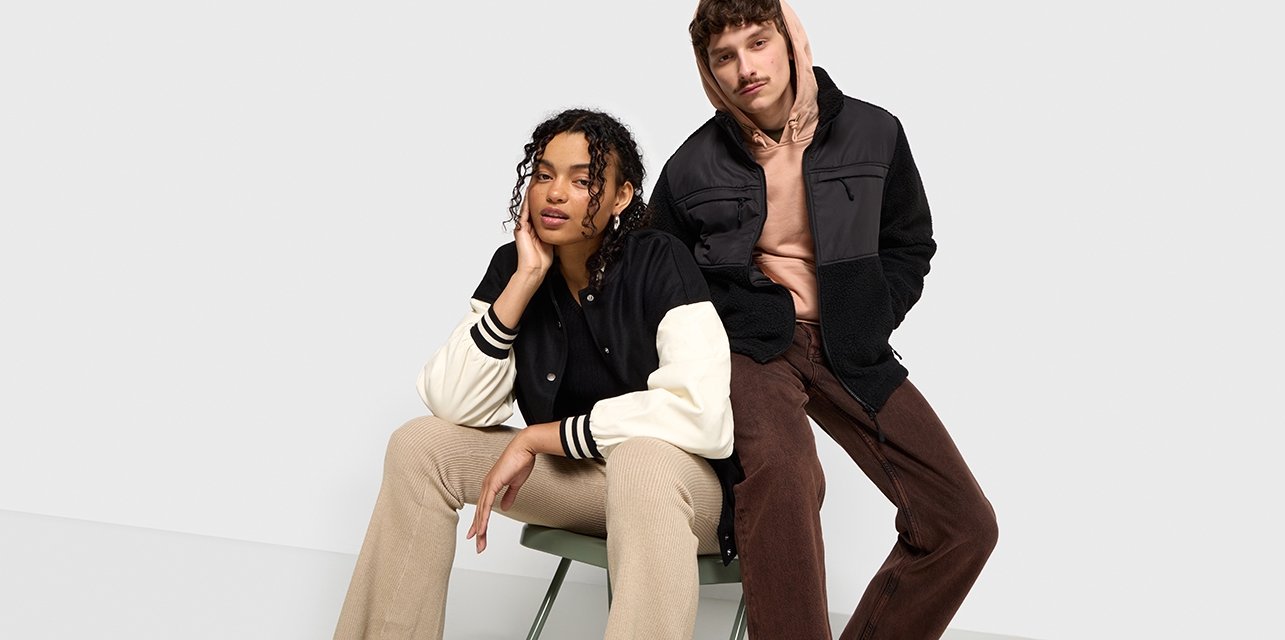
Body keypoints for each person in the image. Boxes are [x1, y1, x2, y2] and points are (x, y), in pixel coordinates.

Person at [648, 1, 999, 638]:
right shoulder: (690, 166)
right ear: (708, 69)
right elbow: (658, 278)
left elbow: (909, 241)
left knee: (963, 524)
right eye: (725, 56)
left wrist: (873, 315)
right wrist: (709, 345)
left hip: (849, 342)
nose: (746, 68)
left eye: (758, 43)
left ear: (790, 41)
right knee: (785, 475)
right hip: (750, 346)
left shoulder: (874, 131)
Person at [334, 108, 739, 640]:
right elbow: (452, 401)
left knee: (641, 461)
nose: (555, 193)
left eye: (582, 181)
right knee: (419, 444)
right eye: (544, 175)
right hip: (582, 486)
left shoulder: (659, 260)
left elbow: (702, 414)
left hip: (682, 492)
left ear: (621, 197)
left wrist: (540, 437)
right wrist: (525, 279)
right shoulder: (515, 264)